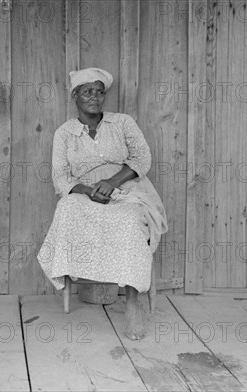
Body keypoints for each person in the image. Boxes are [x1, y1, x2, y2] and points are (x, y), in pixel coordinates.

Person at [37, 68, 168, 340]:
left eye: (99, 91)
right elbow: (60, 176)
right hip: (86, 194)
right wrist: (86, 190)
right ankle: (78, 276)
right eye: (87, 91)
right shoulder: (65, 133)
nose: (94, 97)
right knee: (67, 208)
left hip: (126, 190)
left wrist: (112, 181)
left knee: (132, 220)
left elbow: (142, 159)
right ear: (75, 96)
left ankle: (132, 304)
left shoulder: (122, 123)